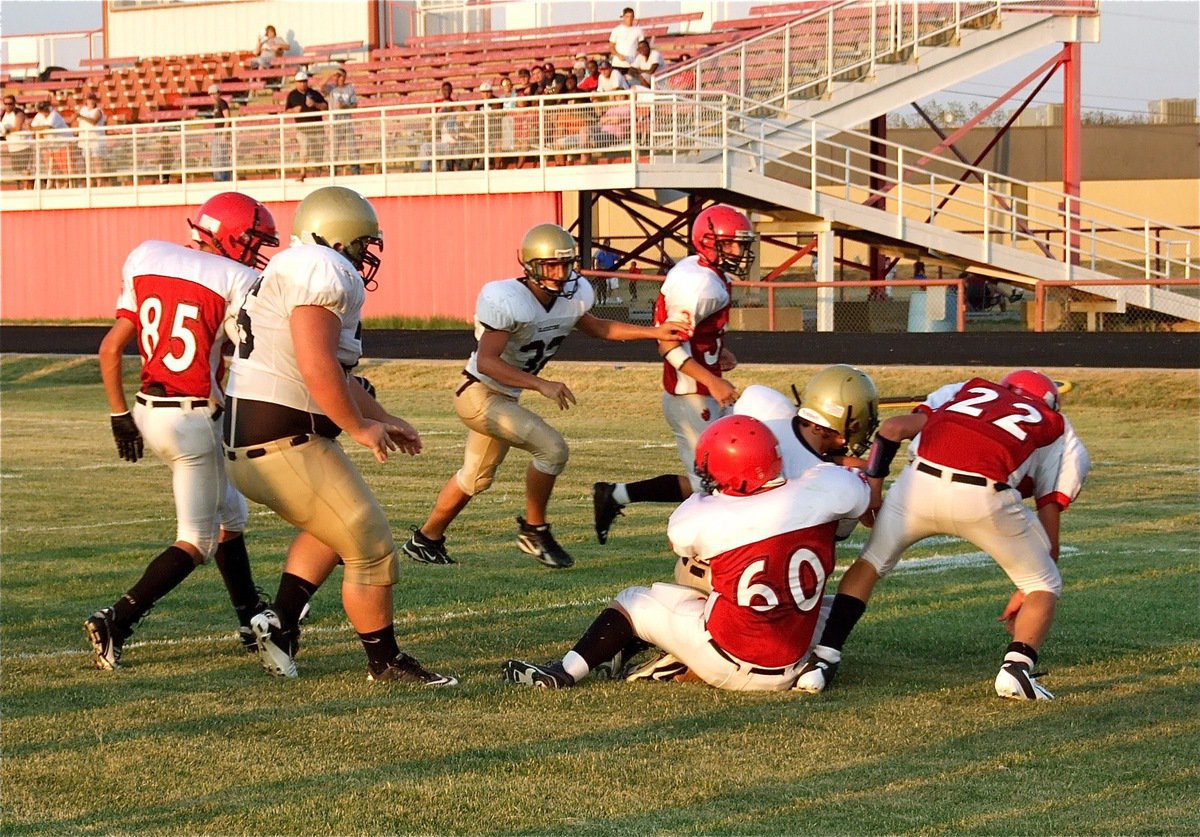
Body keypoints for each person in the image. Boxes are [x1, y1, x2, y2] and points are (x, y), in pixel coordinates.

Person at [224, 186, 456, 686]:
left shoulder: (288, 269)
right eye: (360, 242)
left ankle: (281, 623)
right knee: (371, 545)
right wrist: (358, 426)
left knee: (330, 525)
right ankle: (385, 662)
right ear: (335, 236)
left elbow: (337, 372)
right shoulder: (320, 269)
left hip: (260, 437)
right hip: (282, 438)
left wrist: (382, 416)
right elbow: (315, 363)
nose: (365, 254)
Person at [503, 414, 870, 691]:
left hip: (731, 662)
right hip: (794, 658)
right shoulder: (830, 487)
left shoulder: (707, 517)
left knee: (635, 601)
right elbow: (855, 493)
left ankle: (564, 672)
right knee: (829, 602)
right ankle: (820, 663)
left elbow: (681, 543)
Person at [400, 223, 691, 570]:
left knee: (474, 478)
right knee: (552, 449)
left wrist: (652, 331)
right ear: (529, 265)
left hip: (504, 396)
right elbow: (487, 362)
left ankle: (426, 540)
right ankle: (535, 530)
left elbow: (598, 326)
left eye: (565, 264)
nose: (559, 273)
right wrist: (540, 384)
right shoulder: (507, 299)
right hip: (479, 394)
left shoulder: (573, 294)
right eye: (550, 266)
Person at [795, 370, 1083, 701]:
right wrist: (1029, 587)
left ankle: (823, 659)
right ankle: (1016, 669)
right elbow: (1050, 510)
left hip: (919, 483)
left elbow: (892, 429)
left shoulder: (969, 391)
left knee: (870, 564)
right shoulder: (1056, 426)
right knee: (1044, 584)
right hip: (985, 495)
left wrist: (874, 490)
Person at [85, 192, 281, 671]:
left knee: (230, 518)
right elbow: (249, 357)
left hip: (148, 411)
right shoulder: (239, 279)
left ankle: (249, 616)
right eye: (253, 241)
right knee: (197, 540)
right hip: (193, 418)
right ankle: (118, 619)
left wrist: (118, 415)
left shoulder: (149, 256)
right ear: (232, 237)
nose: (257, 252)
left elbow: (111, 350)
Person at [591, 205, 756, 543]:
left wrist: (714, 351)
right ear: (710, 243)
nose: (740, 252)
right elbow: (668, 346)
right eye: (732, 244)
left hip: (701, 389)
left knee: (719, 476)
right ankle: (698, 544)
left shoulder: (703, 272)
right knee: (714, 481)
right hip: (691, 397)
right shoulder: (698, 284)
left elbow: (690, 336)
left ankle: (615, 495)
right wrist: (711, 378)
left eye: (742, 243)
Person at [285, 71, 327, 182]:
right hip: (303, 128)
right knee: (304, 149)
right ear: (296, 83)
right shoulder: (292, 95)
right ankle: (303, 172)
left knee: (318, 150)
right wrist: (293, 110)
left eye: (304, 81)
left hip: (317, 127)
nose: (302, 84)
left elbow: (325, 106)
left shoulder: (314, 93)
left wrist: (315, 104)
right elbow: (287, 110)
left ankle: (318, 172)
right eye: (300, 82)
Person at [30, 100, 75, 187]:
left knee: (65, 169)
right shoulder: (39, 115)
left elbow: (49, 126)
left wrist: (38, 128)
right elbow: (32, 127)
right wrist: (39, 128)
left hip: (64, 145)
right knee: (53, 169)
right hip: (53, 146)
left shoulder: (54, 115)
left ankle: (66, 187)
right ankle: (55, 187)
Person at [324, 66, 359, 175]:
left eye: (342, 76)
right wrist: (331, 74)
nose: (340, 78)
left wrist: (345, 106)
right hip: (335, 122)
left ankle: (355, 169)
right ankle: (332, 170)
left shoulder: (350, 89)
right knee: (334, 147)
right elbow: (321, 86)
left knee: (351, 146)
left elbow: (355, 105)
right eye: (338, 76)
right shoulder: (331, 88)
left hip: (346, 121)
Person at [75, 91, 107, 177]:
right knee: (88, 164)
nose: (91, 101)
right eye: (89, 99)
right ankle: (91, 183)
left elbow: (94, 121)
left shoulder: (98, 111)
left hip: (96, 141)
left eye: (93, 99)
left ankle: (99, 183)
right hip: (85, 141)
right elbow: (76, 122)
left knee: (97, 163)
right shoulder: (83, 110)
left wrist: (81, 116)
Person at [207, 84, 232, 182]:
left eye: (214, 94)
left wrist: (224, 135)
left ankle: (222, 178)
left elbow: (227, 119)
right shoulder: (216, 105)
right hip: (217, 134)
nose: (212, 96)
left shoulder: (222, 103)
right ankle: (219, 177)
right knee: (217, 158)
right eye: (210, 94)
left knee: (221, 157)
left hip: (221, 135)